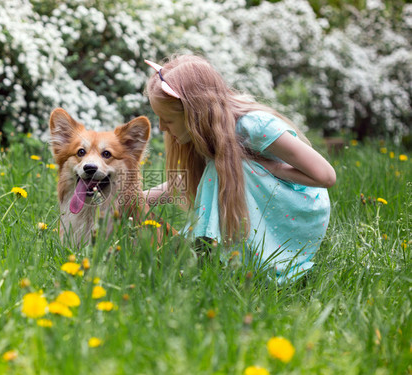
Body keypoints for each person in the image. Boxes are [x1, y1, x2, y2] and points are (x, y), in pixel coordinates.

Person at [143, 55, 336, 283]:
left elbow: (325, 176)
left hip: (299, 206)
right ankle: (218, 255)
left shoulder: (253, 126)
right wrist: (137, 197)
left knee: (229, 166)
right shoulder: (208, 135)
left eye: (167, 119)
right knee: (223, 167)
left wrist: (271, 167)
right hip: (268, 200)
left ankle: (209, 253)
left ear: (193, 113)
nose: (161, 127)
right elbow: (188, 182)